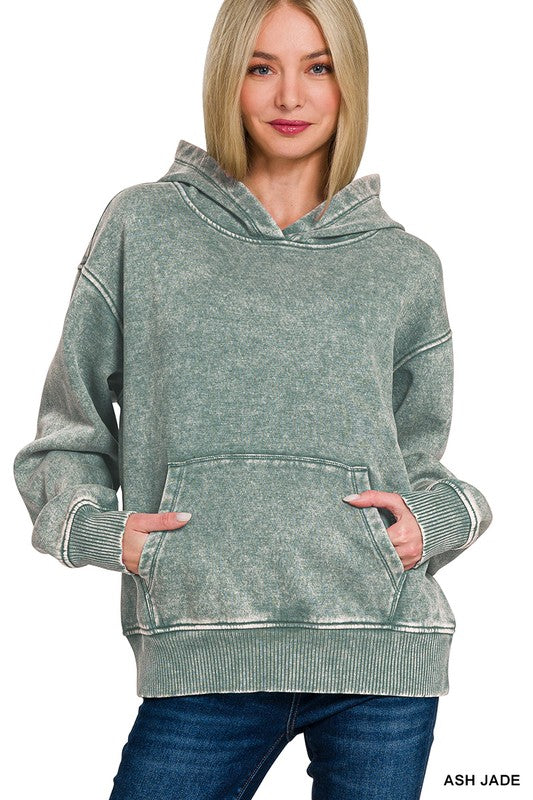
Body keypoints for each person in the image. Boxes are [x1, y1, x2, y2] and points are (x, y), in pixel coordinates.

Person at [12, 1, 493, 798]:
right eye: (260, 67)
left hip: (379, 656)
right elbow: (68, 431)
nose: (289, 96)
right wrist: (104, 534)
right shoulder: (145, 225)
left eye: (317, 67)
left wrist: (433, 524)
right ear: (226, 80)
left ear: (348, 83)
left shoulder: (404, 264)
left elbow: (417, 464)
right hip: (204, 650)